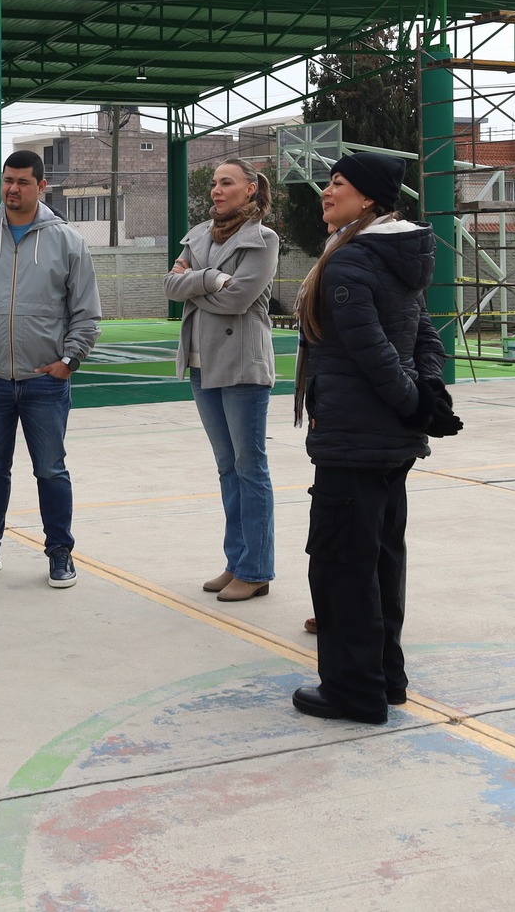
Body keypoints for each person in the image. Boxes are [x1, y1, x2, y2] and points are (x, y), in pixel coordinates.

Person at [290, 152, 459, 725]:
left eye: (338, 183)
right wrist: (426, 398)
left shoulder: (350, 262)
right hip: (388, 439)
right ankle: (386, 678)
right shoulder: (395, 254)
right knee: (381, 557)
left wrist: (417, 403)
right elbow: (425, 340)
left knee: (341, 563)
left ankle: (353, 690)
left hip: (355, 438)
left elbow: (376, 355)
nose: (326, 191)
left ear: (367, 198)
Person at [0, 151, 101, 589]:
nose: (12, 189)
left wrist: (68, 361)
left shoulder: (68, 242)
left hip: (44, 381)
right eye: (8, 180)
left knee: (51, 470)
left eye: (23, 182)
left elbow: (86, 312)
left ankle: (59, 551)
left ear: (42, 186)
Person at [165, 157, 282, 603]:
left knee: (250, 468)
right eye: (214, 183)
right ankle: (236, 562)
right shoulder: (198, 234)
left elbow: (239, 300)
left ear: (250, 189)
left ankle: (256, 570)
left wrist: (193, 286)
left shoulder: (262, 239)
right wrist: (212, 279)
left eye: (226, 182)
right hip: (201, 364)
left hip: (242, 365)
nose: (216, 190)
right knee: (227, 467)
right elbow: (170, 287)